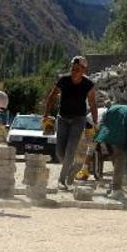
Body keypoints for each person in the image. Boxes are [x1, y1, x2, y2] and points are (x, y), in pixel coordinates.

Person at [43, 56, 97, 190]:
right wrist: (46, 114)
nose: (74, 71)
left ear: (84, 70)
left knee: (70, 149)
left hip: (79, 119)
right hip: (62, 118)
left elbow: (92, 104)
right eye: (73, 68)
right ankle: (73, 169)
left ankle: (62, 180)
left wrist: (95, 123)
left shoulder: (88, 84)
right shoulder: (64, 80)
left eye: (78, 69)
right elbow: (52, 97)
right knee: (60, 152)